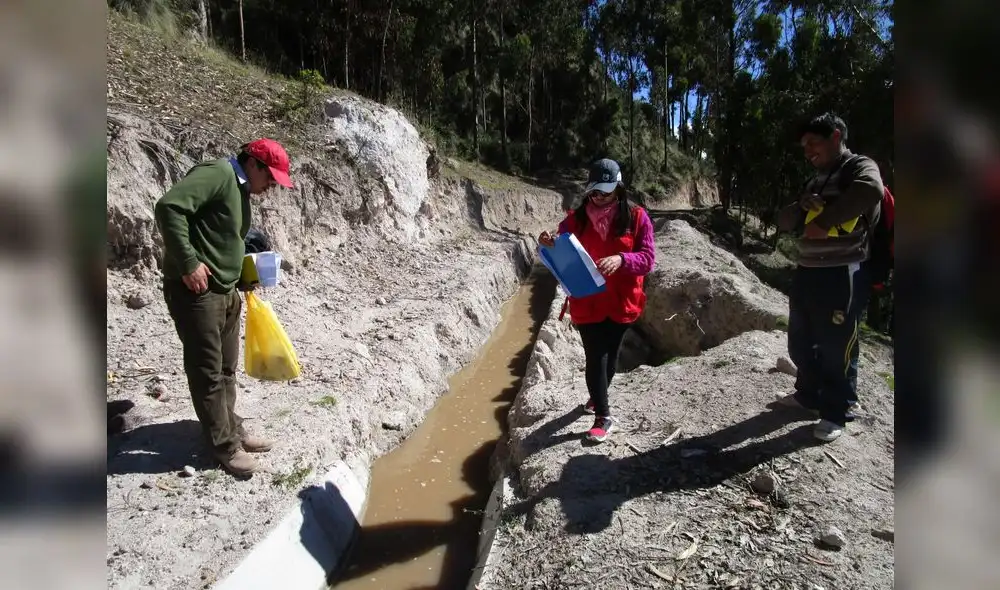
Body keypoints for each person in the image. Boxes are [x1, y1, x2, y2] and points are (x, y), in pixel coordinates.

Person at [154, 138, 294, 476]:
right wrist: (188, 263)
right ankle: (224, 448)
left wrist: (242, 275)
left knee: (227, 369)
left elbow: (222, 237)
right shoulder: (217, 174)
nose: (272, 185)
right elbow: (169, 208)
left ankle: (232, 430)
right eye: (270, 177)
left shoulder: (240, 188)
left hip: (226, 290)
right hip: (198, 292)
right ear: (254, 164)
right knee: (208, 372)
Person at [775, 113, 884, 442]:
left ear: (836, 136)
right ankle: (808, 395)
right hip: (808, 271)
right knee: (800, 339)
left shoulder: (858, 167)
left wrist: (826, 220)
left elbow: (872, 190)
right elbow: (783, 221)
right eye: (804, 146)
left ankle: (836, 410)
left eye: (813, 143)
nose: (808, 151)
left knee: (838, 345)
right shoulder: (817, 179)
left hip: (842, 273)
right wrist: (800, 207)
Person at [539, 158, 656, 443]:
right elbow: (560, 241)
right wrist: (549, 240)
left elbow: (648, 259)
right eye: (594, 192)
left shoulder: (637, 218)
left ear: (618, 188)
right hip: (587, 299)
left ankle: (596, 395)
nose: (599, 197)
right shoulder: (576, 218)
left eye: (605, 192)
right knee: (595, 356)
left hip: (621, 301)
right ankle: (603, 416)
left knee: (611, 356)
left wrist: (621, 259)